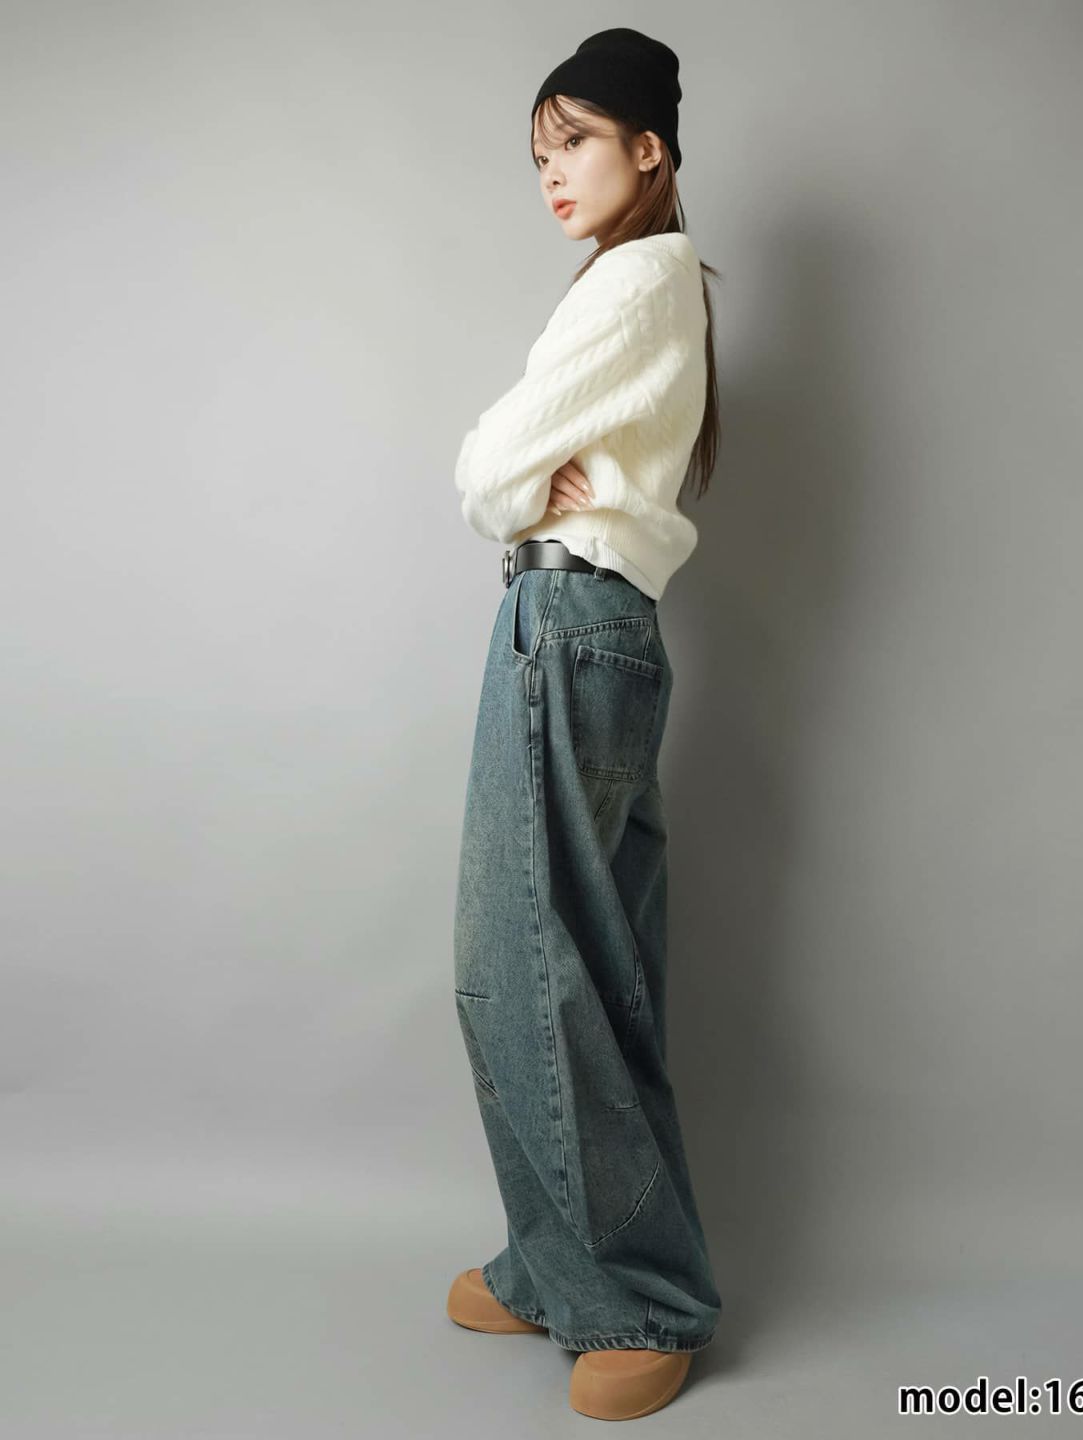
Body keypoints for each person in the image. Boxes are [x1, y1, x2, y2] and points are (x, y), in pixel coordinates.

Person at [445, 28, 724, 1421]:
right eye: (540, 153)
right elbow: (512, 474)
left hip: (568, 622)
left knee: (517, 961)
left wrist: (509, 481)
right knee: (591, 970)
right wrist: (517, 485)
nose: (554, 173)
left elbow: (487, 467)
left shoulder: (638, 278)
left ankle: (641, 1301)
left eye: (578, 142)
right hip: (592, 626)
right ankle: (562, 1268)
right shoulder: (650, 283)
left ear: (648, 147)